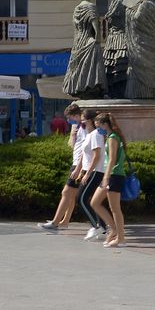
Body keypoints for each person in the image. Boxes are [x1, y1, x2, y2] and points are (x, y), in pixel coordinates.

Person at [40, 104, 87, 232]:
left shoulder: (84, 127)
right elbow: (75, 145)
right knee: (70, 195)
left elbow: (86, 149)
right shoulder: (78, 127)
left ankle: (55, 222)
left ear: (77, 115)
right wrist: (72, 135)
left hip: (79, 164)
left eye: (70, 117)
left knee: (66, 193)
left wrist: (78, 168)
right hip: (77, 163)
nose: (68, 121)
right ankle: (64, 221)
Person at [90, 112, 129, 248]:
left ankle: (121, 238)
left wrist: (106, 177)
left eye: (98, 126)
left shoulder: (113, 137)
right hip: (111, 175)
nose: (97, 129)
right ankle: (114, 230)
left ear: (105, 124)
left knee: (115, 208)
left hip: (114, 175)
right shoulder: (111, 137)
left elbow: (112, 159)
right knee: (95, 202)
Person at [74, 111, 109, 241]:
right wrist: (80, 170)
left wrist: (87, 174)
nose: (80, 122)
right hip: (89, 170)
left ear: (89, 121)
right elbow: (85, 154)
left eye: (82, 119)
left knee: (81, 199)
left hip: (96, 171)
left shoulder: (96, 135)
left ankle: (96, 225)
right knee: (92, 201)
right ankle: (103, 227)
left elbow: (97, 156)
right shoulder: (89, 135)